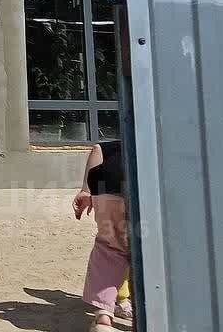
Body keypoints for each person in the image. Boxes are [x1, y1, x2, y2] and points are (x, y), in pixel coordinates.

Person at [73, 140, 134, 328]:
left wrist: (86, 190)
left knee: (110, 248)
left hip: (105, 185)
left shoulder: (120, 143)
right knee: (149, 249)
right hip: (141, 182)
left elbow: (97, 149)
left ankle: (104, 316)